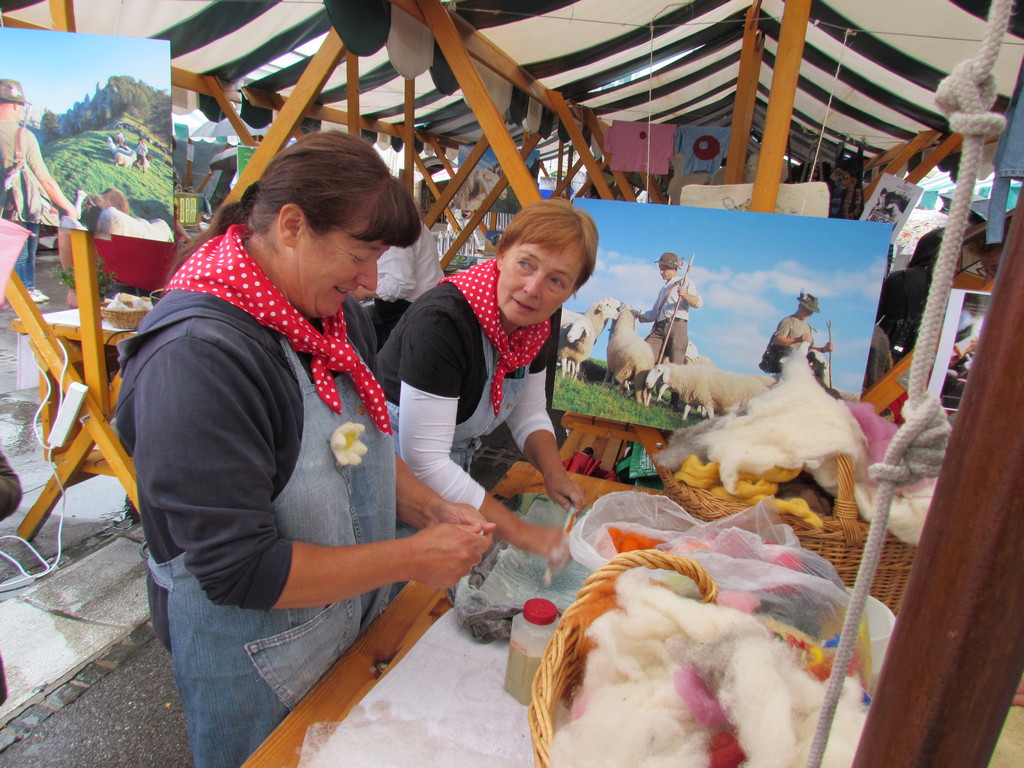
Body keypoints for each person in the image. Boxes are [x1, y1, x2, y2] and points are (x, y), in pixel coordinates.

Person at [115, 131, 494, 768]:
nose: (373, 281)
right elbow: (241, 570)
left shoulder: (331, 316)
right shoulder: (198, 360)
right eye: (361, 254)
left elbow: (348, 447)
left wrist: (428, 509)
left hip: (349, 630)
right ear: (291, 226)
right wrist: (411, 557)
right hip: (255, 666)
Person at [378, 198, 598, 565]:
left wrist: (554, 472)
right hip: (394, 487)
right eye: (525, 264)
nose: (533, 288)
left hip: (451, 480)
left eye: (556, 280)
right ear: (501, 255)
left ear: (572, 291)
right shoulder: (443, 323)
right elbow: (425, 460)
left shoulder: (535, 326)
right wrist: (522, 533)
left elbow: (528, 414)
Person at [0, 79, 80, 303]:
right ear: (16, 105)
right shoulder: (23, 136)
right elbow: (45, 180)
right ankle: (25, 290)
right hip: (19, 208)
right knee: (24, 252)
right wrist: (68, 207)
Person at [351, 221, 443, 349]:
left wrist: (365, 292)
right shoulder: (405, 222)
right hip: (422, 312)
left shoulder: (394, 228)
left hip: (411, 317)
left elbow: (399, 284)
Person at [634, 251, 702, 366]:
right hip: (659, 328)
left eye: (664, 268)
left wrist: (685, 295)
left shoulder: (685, 282)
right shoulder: (663, 289)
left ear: (673, 268)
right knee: (646, 356)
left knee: (675, 363)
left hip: (677, 326)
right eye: (660, 268)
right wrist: (636, 313)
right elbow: (654, 314)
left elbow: (698, 303)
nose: (661, 272)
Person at [759, 292, 835, 379]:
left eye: (811, 311)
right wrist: (797, 339)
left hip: (800, 362)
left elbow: (809, 349)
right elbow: (777, 340)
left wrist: (824, 349)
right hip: (785, 362)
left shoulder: (808, 327)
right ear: (800, 306)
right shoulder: (788, 321)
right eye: (806, 309)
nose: (808, 313)